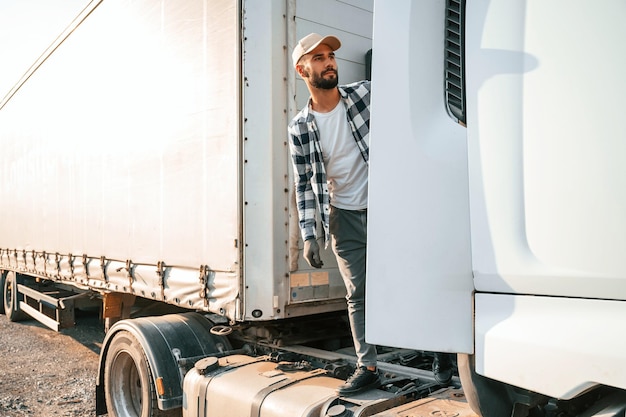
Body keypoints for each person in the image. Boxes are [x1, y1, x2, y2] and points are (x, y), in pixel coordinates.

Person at [288, 33, 454, 395]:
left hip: (388, 208)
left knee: (414, 278)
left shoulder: (364, 94)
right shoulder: (300, 127)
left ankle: (442, 351)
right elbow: (304, 184)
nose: (329, 62)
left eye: (330, 55)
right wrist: (309, 234)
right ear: (303, 69)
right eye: (318, 58)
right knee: (358, 294)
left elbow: (408, 101)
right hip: (343, 216)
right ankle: (368, 366)